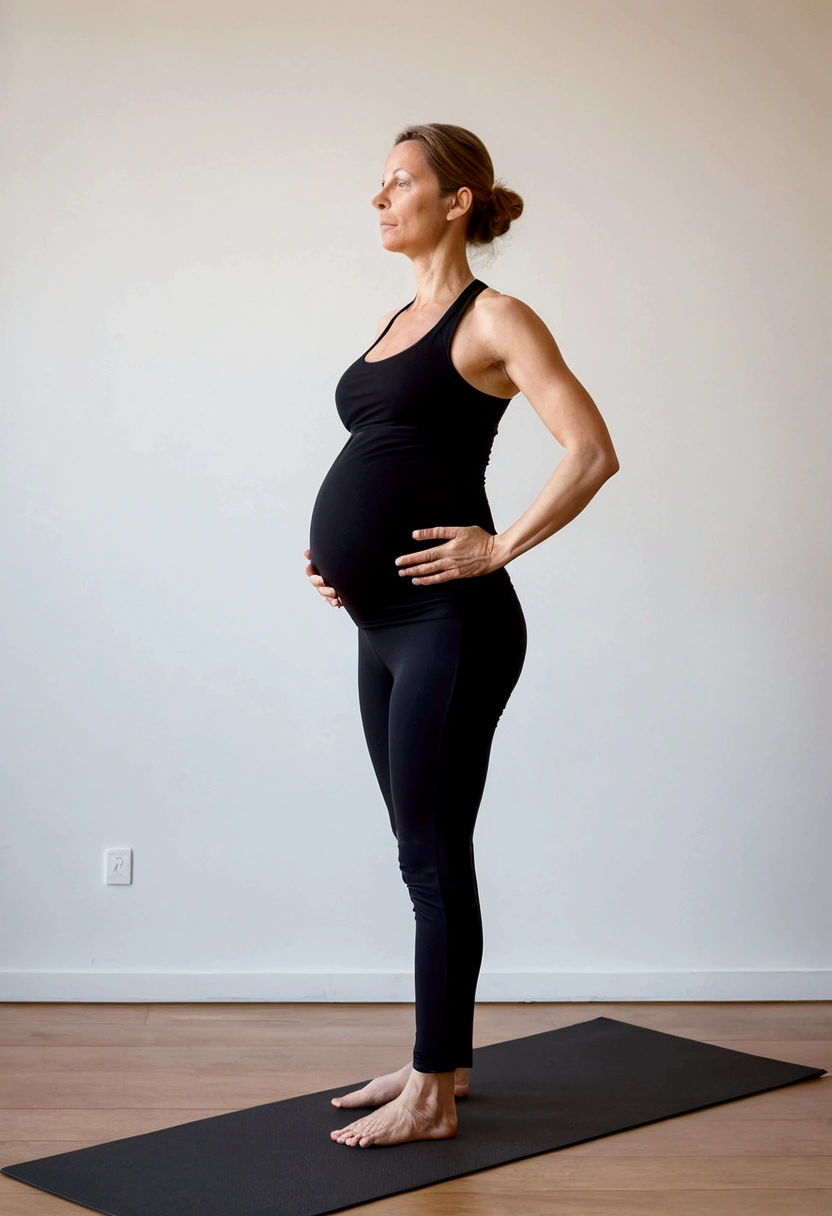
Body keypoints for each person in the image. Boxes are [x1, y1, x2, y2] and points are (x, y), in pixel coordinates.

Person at [304, 123, 619, 1148]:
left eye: (399, 181)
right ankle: (440, 1055)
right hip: (381, 622)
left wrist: (500, 546)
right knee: (418, 849)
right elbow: (388, 456)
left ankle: (434, 1091)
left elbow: (589, 450)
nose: (378, 198)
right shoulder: (398, 317)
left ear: (455, 200)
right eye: (378, 183)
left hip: (453, 621)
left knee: (434, 854)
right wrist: (339, 559)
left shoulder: (498, 318)